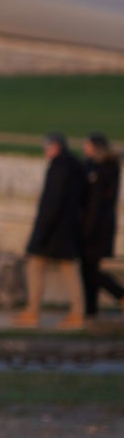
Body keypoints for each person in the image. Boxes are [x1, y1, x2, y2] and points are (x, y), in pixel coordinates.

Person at [19, 132, 86, 329]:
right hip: (68, 228)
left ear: (55, 147)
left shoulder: (58, 168)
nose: (45, 150)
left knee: (35, 267)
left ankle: (33, 312)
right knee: (70, 270)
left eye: (47, 146)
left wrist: (41, 233)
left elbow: (51, 203)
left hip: (54, 231)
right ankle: (77, 313)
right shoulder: (75, 166)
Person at [81, 132, 122, 319]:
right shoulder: (108, 167)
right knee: (90, 270)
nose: (84, 148)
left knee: (90, 270)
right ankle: (91, 310)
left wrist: (87, 230)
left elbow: (96, 204)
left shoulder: (102, 170)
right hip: (101, 227)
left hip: (97, 229)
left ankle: (119, 294)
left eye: (87, 145)